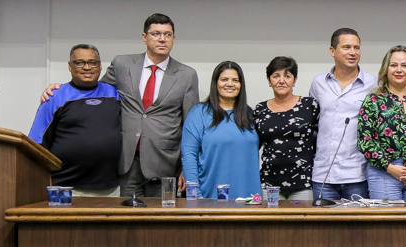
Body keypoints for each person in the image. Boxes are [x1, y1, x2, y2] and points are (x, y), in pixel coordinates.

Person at [40, 13, 199, 197]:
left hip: (166, 163)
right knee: (127, 220)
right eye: (156, 34)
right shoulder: (123, 64)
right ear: (144, 37)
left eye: (167, 34)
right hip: (126, 161)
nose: (162, 39)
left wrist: (187, 168)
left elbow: (190, 126)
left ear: (173, 38)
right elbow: (95, 90)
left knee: (160, 221)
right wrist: (60, 89)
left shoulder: (187, 75)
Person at [29, 44, 123, 197]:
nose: (87, 67)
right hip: (64, 188)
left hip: (110, 188)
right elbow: (36, 144)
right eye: (79, 62)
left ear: (100, 66)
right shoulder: (54, 97)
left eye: (92, 63)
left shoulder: (114, 93)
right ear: (70, 66)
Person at [308, 28, 376, 201]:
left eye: (357, 47)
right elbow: (313, 123)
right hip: (323, 174)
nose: (353, 52)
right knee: (323, 228)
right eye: (346, 47)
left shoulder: (373, 84)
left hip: (357, 175)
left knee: (358, 228)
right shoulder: (319, 83)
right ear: (332, 51)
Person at [357, 46, 406, 200]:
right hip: (384, 172)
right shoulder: (373, 100)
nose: (399, 70)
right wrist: (390, 167)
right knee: (388, 223)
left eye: (404, 65)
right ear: (386, 69)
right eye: (394, 65)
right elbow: (364, 141)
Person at [181, 61, 261, 199]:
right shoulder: (199, 113)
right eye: (224, 79)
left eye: (235, 80)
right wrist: (194, 195)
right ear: (215, 83)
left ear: (241, 85)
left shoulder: (250, 114)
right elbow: (189, 156)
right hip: (209, 198)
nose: (230, 84)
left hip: (250, 199)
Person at [254, 56, 319, 201]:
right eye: (276, 76)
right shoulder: (260, 109)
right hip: (269, 184)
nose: (281, 81)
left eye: (287, 76)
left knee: (302, 224)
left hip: (303, 184)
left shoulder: (309, 106)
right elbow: (253, 145)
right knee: (270, 224)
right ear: (269, 80)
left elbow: (323, 139)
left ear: (294, 80)